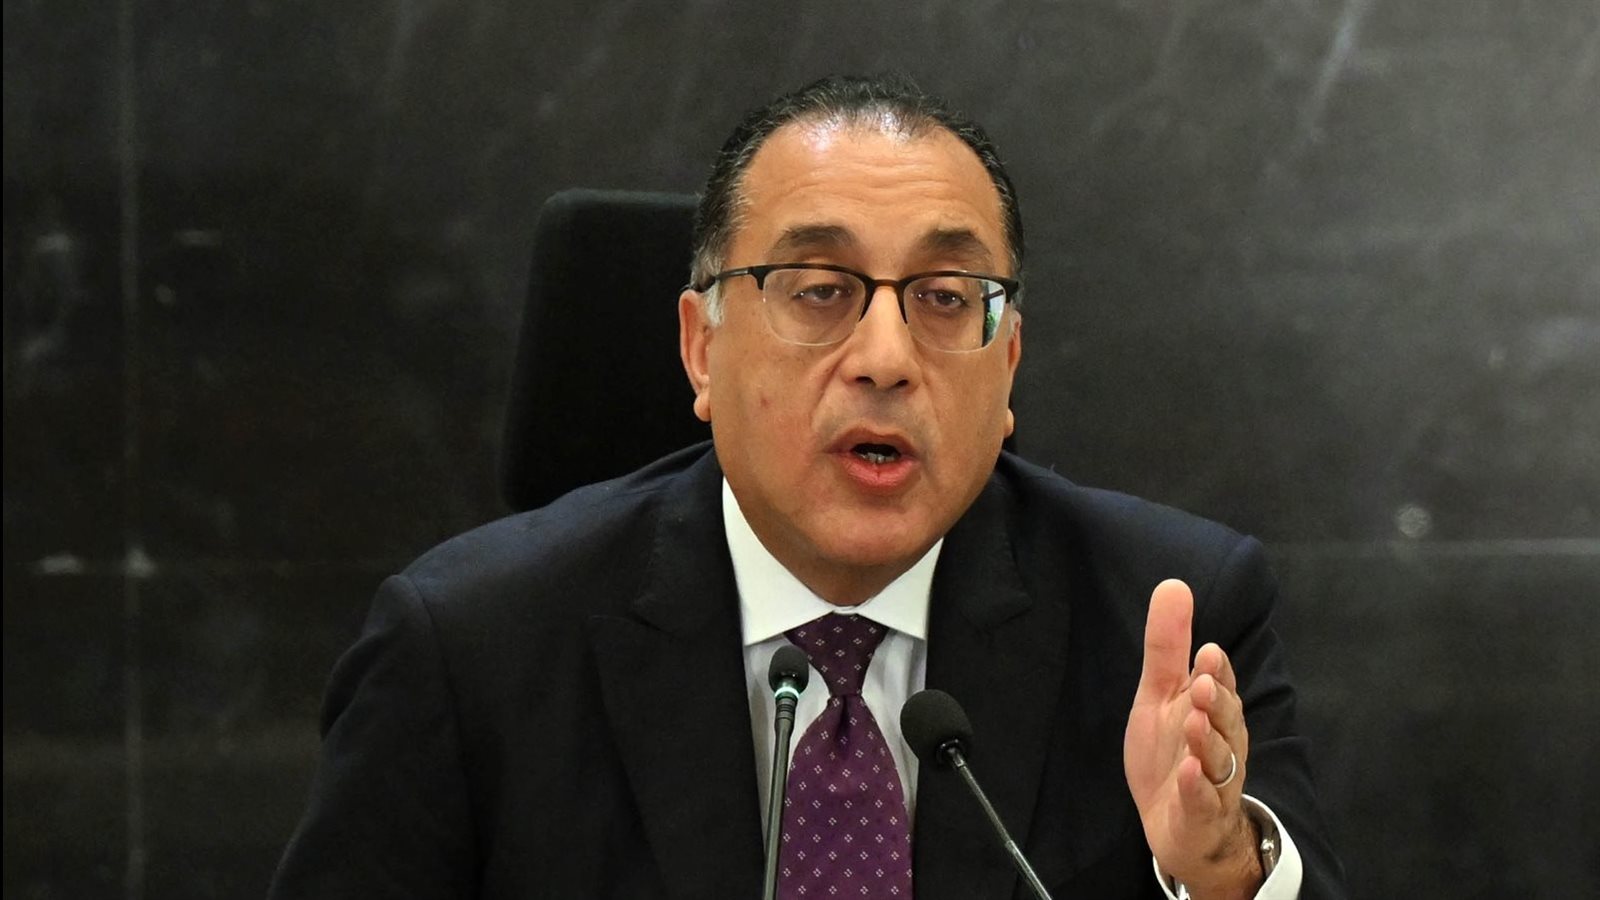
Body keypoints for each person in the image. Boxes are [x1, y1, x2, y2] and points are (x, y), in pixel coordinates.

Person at [270, 74, 1346, 899]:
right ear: (701, 349)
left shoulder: (1170, 623)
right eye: (821, 289)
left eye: (945, 296)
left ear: (1008, 364)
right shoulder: (470, 648)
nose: (885, 357)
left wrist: (1220, 874)